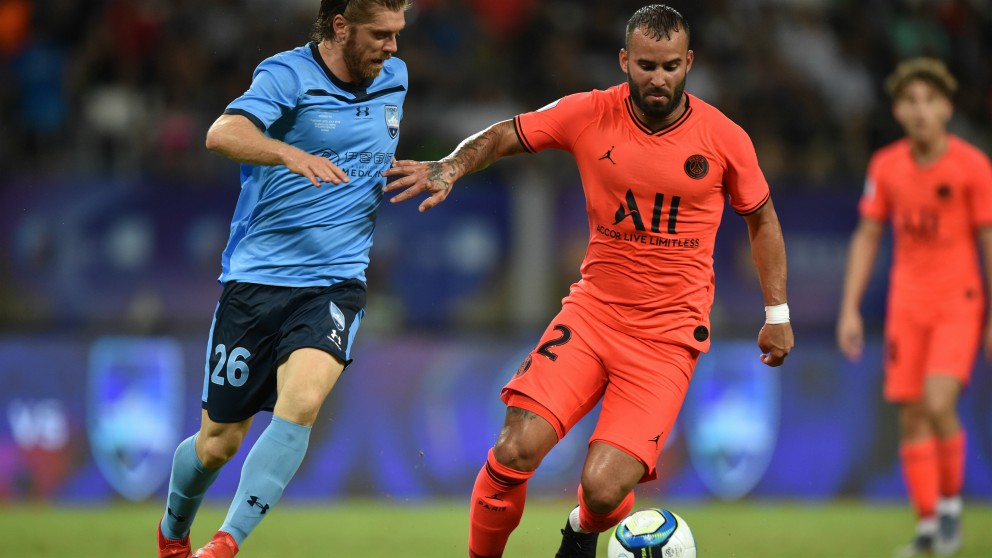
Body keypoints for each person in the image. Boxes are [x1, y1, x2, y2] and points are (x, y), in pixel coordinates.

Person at [383, 5, 793, 557]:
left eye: (671, 66)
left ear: (689, 62)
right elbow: (507, 133)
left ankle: (580, 530)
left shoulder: (724, 138)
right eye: (646, 65)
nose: (658, 78)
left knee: (603, 491)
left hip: (667, 339)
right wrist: (453, 165)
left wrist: (777, 314)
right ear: (624, 60)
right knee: (514, 449)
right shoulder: (588, 113)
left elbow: (761, 219)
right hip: (592, 315)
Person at [155, 1, 409, 557]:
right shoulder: (286, 74)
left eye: (398, 34)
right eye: (380, 34)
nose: (392, 47)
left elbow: (366, 150)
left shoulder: (395, 76)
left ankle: (225, 544)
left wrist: (431, 171)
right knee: (218, 443)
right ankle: (172, 535)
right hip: (257, 282)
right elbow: (222, 134)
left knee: (304, 402)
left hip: (336, 284)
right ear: (340, 26)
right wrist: (286, 153)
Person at [837, 57, 992, 557]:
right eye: (911, 102)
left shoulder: (973, 166)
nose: (921, 111)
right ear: (899, 111)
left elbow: (990, 241)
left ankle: (949, 508)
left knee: (938, 402)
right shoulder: (886, 167)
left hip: (959, 302)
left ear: (947, 108)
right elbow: (867, 236)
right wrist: (850, 309)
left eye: (930, 101)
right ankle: (929, 527)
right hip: (907, 306)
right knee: (910, 418)